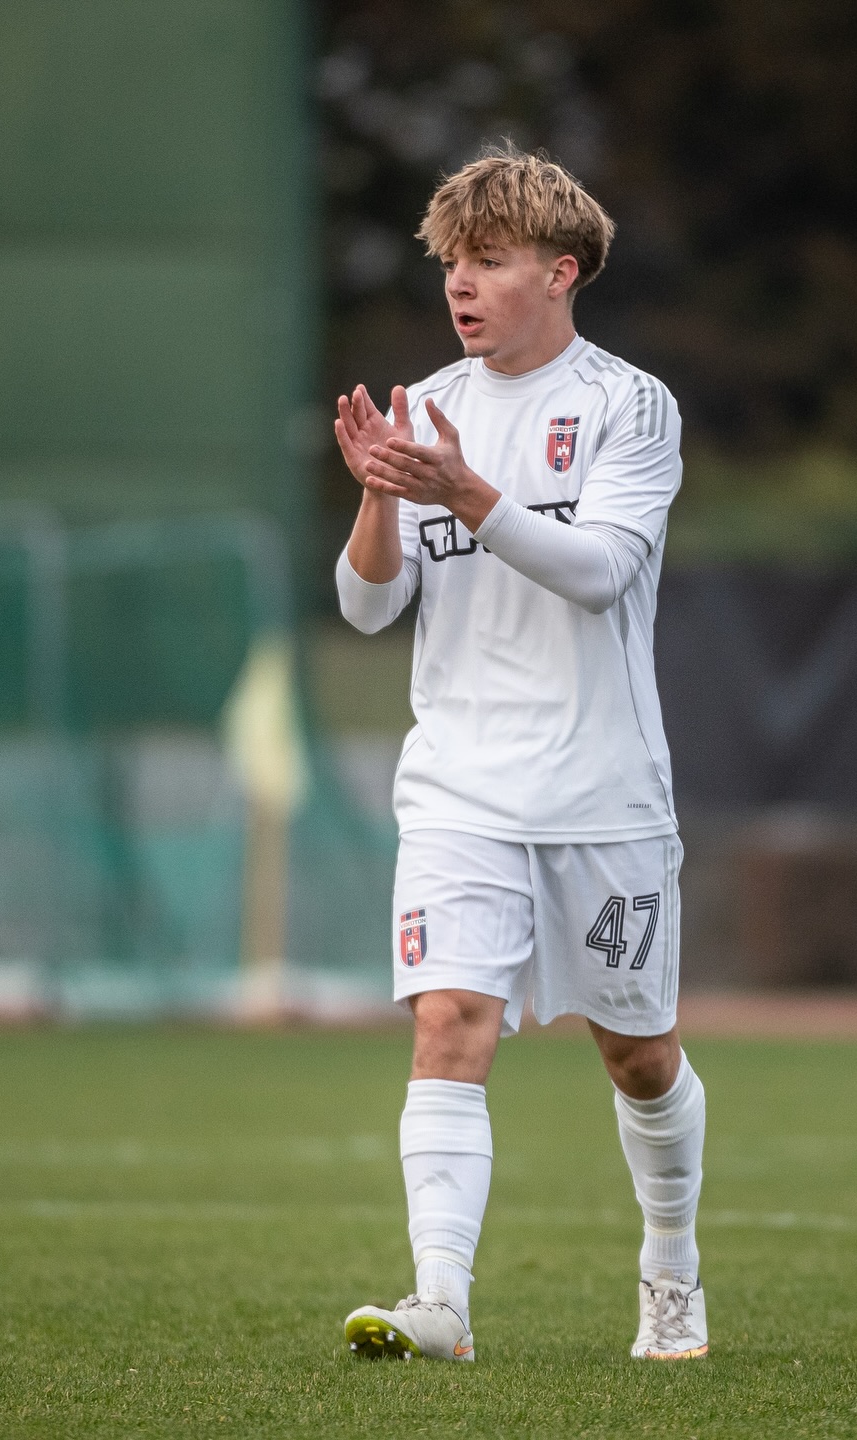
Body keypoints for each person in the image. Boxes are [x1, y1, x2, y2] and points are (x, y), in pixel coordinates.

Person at [333, 146, 707, 1363]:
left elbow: (600, 574)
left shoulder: (630, 406)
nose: (462, 283)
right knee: (450, 1020)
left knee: (638, 1056)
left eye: (489, 260)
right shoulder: (427, 408)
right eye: (452, 261)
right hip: (460, 786)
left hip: (603, 793)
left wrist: (468, 494)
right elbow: (367, 607)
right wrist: (382, 492)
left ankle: (671, 1268)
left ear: (562, 272)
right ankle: (441, 1301)